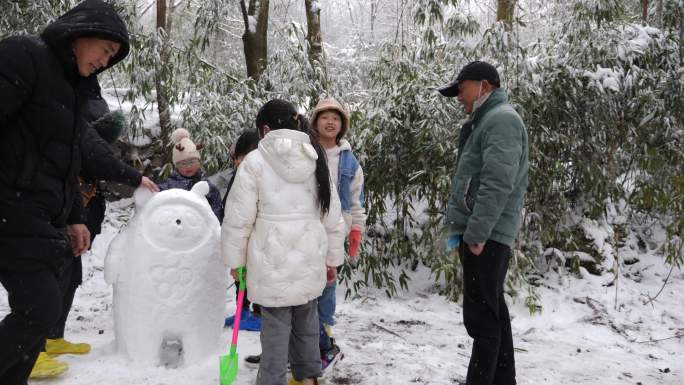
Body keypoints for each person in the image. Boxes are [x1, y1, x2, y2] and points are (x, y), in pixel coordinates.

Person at [0, 1, 130, 384]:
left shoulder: (72, 91)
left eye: (113, 58)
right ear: (81, 32)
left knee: (41, 309)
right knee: (40, 308)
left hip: (39, 214)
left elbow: (70, 162)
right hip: (10, 205)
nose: (106, 61)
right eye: (106, 51)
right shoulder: (25, 55)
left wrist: (75, 216)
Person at [30, 79, 159, 379]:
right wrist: (135, 178)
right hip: (45, 220)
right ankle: (31, 352)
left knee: (70, 277)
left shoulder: (81, 126)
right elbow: (96, 156)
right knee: (43, 286)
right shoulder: (66, 130)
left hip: (72, 222)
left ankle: (53, 337)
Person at [221, 99, 345, 385]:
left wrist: (235, 263)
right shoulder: (316, 159)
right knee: (307, 325)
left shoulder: (253, 162)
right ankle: (308, 378)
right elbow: (333, 215)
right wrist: (332, 260)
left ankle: (272, 380)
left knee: (275, 331)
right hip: (309, 262)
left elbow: (239, 220)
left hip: (269, 264)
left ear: (265, 129)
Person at [438, 61, 529, 385]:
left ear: (484, 85)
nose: (459, 97)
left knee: (482, 321)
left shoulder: (500, 120)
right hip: (486, 232)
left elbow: (497, 182)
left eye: (462, 89)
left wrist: (477, 232)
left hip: (486, 234)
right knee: (494, 313)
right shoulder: (489, 119)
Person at [310, 98, 366, 370]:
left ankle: (325, 333)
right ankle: (303, 340)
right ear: (315, 122)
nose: (330, 122)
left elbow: (356, 199)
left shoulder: (350, 160)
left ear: (342, 125)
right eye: (324, 117)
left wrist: (356, 229)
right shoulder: (306, 151)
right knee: (306, 282)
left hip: (336, 228)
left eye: (336, 118)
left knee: (328, 281)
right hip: (307, 226)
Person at [222, 130, 262, 331]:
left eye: (245, 157)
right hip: (240, 237)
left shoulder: (262, 177)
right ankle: (242, 309)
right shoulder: (238, 176)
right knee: (240, 276)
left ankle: (259, 313)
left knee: (258, 277)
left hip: (257, 237)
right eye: (238, 157)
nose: (241, 162)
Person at [159, 128, 223, 222]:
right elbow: (156, 199)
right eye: (183, 163)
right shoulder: (168, 186)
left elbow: (217, 209)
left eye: (192, 161)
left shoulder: (207, 186)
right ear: (176, 166)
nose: (188, 166)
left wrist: (214, 226)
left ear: (199, 162)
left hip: (203, 228)